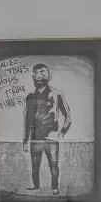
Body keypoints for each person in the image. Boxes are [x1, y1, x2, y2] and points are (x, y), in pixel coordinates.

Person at [22, 62, 71, 192]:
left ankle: (54, 188)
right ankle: (36, 185)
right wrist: (25, 140)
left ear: (48, 76)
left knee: (54, 166)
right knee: (35, 166)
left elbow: (68, 115)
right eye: (36, 73)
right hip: (35, 139)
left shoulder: (57, 94)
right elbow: (27, 120)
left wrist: (62, 132)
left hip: (52, 138)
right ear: (33, 77)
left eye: (42, 72)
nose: (39, 76)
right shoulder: (29, 97)